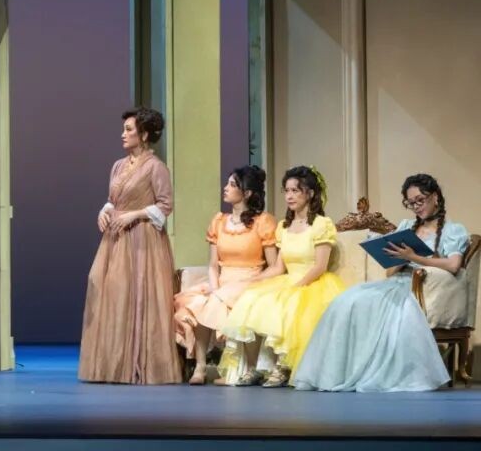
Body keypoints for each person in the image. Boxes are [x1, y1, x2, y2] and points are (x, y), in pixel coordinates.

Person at [293, 173, 469, 392]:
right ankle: (343, 372)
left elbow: (453, 265)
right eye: (411, 203)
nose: (416, 207)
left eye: (420, 200)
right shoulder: (407, 226)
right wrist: (396, 256)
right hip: (396, 282)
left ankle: (389, 375)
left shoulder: (453, 230)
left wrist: (414, 257)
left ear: (435, 197)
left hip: (422, 287)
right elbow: (390, 273)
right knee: (346, 301)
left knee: (392, 309)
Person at [78, 107, 181, 384]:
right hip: (116, 239)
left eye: (129, 130)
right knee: (112, 295)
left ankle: (140, 366)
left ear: (144, 134)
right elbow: (114, 199)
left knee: (136, 296)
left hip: (142, 241)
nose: (123, 134)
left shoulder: (156, 167)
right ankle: (111, 365)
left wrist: (135, 215)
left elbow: (165, 206)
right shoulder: (118, 166)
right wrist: (105, 210)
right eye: (123, 129)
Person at [220, 165, 345, 387]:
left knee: (289, 304)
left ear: (310, 193)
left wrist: (298, 286)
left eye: (295, 190)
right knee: (252, 298)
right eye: (286, 191)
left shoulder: (321, 225)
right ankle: (256, 367)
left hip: (312, 282)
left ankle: (283, 366)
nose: (289, 196)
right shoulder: (284, 227)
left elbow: (320, 266)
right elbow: (278, 267)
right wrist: (253, 281)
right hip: (288, 278)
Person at [173, 166, 277, 385]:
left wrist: (251, 281)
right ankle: (200, 366)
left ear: (247, 193)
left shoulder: (263, 222)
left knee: (216, 301)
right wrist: (215, 287)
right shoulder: (219, 221)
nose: (226, 188)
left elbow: (273, 265)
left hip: (250, 280)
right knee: (201, 302)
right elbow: (213, 265)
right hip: (222, 282)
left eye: (232, 184)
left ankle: (237, 368)